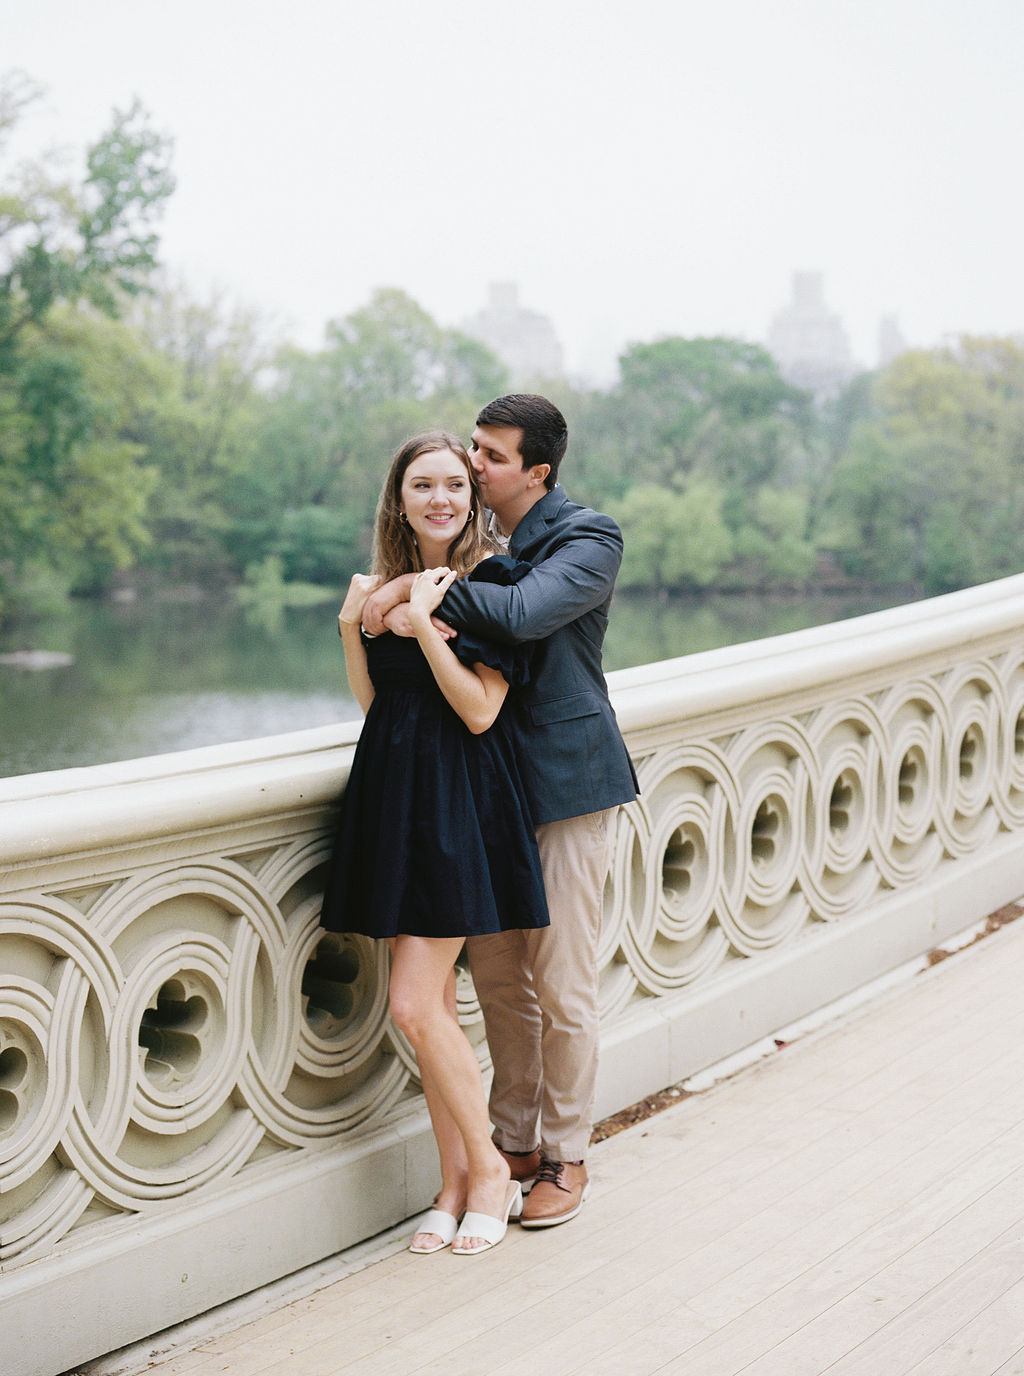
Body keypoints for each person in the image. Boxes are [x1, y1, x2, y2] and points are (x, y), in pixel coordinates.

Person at [362, 394, 638, 1229]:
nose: (472, 467)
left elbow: (516, 614)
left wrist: (410, 587)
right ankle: (511, 1141)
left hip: (564, 783)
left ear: (536, 472)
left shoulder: (588, 538)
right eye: (470, 451)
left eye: (487, 455)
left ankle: (566, 1155)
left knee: (561, 980)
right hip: (484, 790)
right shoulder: (489, 543)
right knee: (498, 982)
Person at [320, 430, 551, 1256]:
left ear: (473, 494)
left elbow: (482, 709)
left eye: (456, 483)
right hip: (396, 795)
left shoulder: (490, 578)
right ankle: (451, 1184)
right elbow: (374, 703)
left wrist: (420, 623)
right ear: (401, 496)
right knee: (433, 1013)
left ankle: (489, 1171)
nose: (441, 498)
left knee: (414, 1005)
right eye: (423, 485)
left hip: (459, 801)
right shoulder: (388, 583)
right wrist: (357, 625)